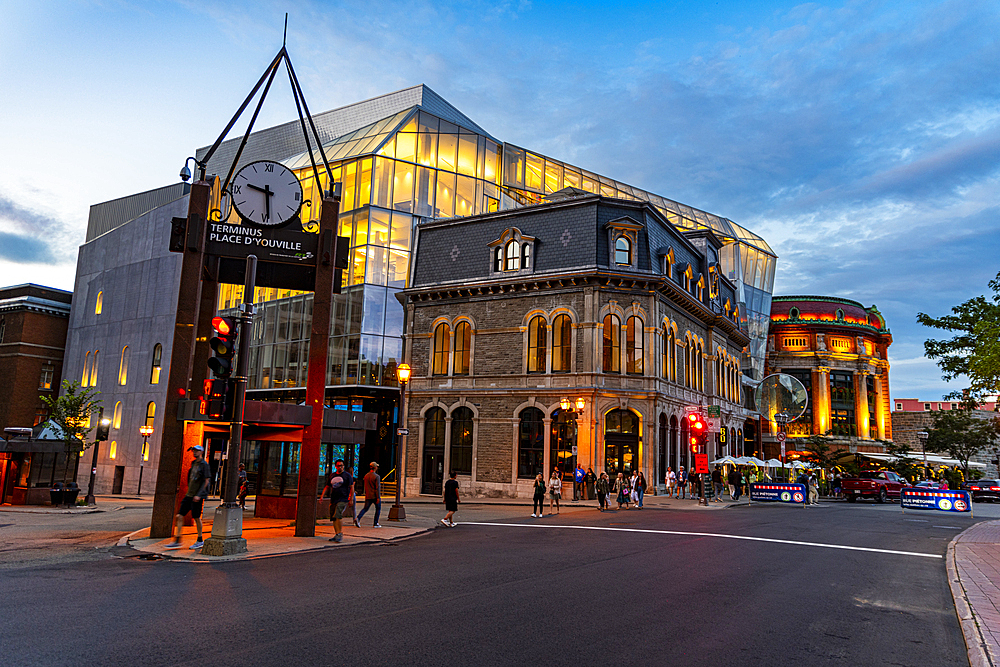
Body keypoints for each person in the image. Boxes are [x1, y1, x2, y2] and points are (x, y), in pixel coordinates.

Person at [166, 445, 211, 550]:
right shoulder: (193, 463)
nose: (194, 452)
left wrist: (199, 495)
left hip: (196, 496)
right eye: (193, 451)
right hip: (189, 495)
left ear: (201, 452)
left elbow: (206, 480)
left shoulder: (204, 465)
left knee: (196, 517)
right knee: (179, 516)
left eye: (196, 451)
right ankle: (178, 539)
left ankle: (200, 540)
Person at [327, 459, 354, 542]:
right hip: (334, 498)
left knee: (338, 514)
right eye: (338, 466)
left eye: (341, 465)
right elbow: (328, 486)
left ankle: (340, 533)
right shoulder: (332, 475)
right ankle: (337, 533)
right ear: (335, 467)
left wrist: (351, 499)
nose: (340, 467)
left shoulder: (347, 476)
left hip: (343, 498)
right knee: (334, 517)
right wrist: (321, 496)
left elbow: (351, 487)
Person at [355, 462, 382, 527]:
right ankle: (375, 523)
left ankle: (358, 518)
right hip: (375, 495)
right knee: (378, 509)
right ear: (375, 467)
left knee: (365, 508)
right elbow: (377, 487)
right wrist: (378, 497)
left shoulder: (366, 476)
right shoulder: (377, 476)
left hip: (368, 495)